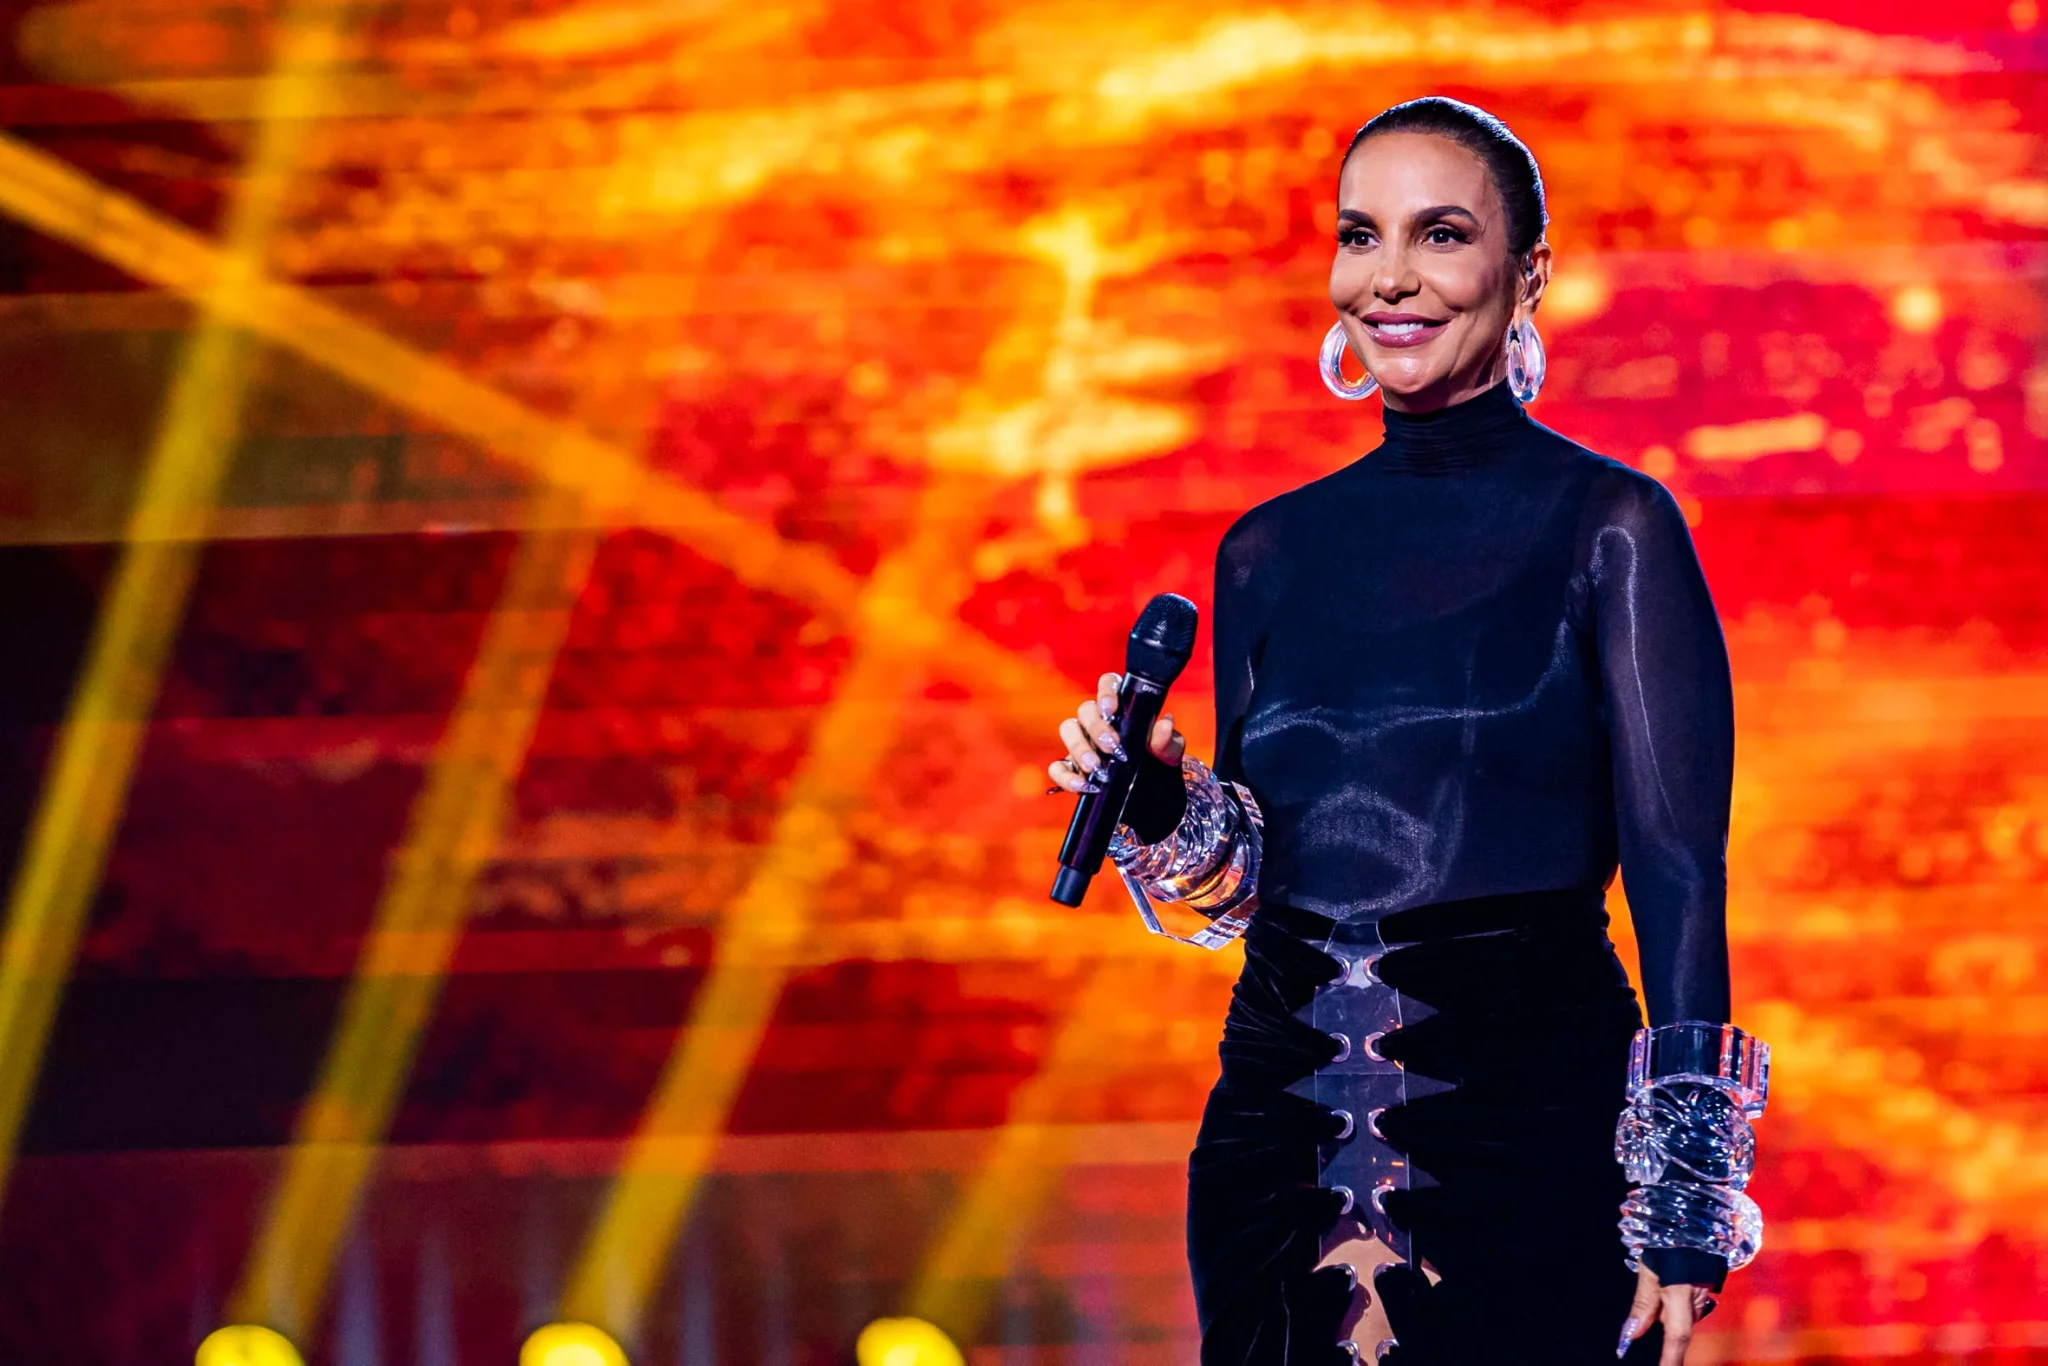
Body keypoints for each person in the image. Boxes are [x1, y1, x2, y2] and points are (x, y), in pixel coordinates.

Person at [1048, 98, 1769, 1365]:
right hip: (1275, 1136)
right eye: (1358, 235)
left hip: (1522, 1126)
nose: (1388, 278)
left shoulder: (1612, 527)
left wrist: (1682, 1203)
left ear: (1526, 273)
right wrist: (1160, 807)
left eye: (1439, 236)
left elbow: (1675, 873)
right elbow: (1252, 879)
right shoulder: (1265, 549)